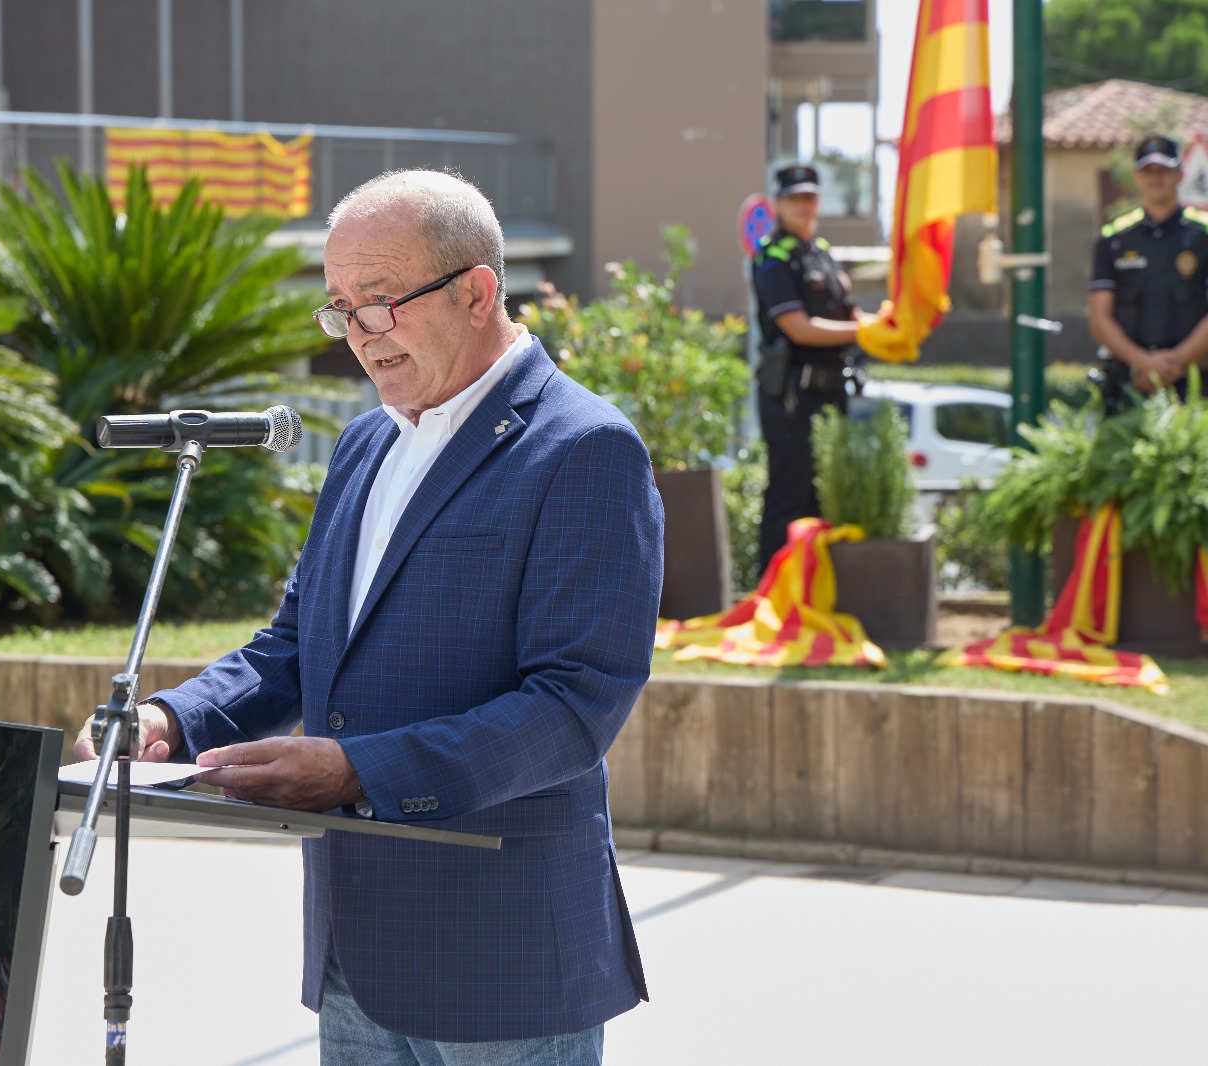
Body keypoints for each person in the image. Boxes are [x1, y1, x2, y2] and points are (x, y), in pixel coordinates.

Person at [75, 170, 661, 1063]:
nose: (358, 335)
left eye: (381, 303)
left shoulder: (583, 449)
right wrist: (170, 719)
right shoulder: (363, 444)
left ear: (476, 291)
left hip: (502, 962)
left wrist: (356, 770)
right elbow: (298, 650)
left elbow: (574, 708)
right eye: (340, 307)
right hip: (355, 952)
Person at [750, 163, 872, 571]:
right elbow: (798, 328)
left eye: (809, 197)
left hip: (832, 392)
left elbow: (849, 311)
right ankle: (772, 600)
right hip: (791, 395)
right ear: (778, 204)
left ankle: (813, 596)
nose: (803, 205)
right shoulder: (772, 257)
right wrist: (865, 332)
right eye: (793, 198)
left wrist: (883, 326)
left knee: (825, 498)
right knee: (790, 496)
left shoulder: (823, 253)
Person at [1089, 134, 1208, 411]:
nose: (1156, 178)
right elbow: (1099, 319)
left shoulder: (1203, 233)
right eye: (1148, 171)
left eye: (1164, 170)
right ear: (1136, 177)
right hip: (1129, 383)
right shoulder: (1113, 238)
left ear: (1180, 174)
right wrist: (1144, 363)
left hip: (1196, 382)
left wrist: (1174, 364)